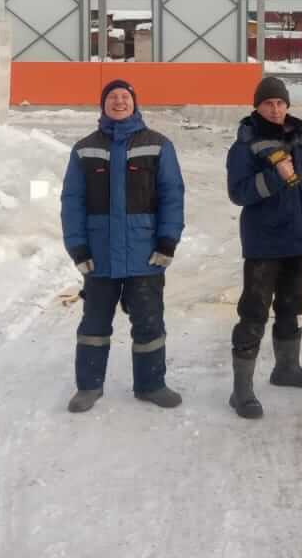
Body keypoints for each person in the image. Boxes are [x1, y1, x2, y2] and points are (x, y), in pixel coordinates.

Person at [61, 79, 185, 413]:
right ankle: (88, 387)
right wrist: (78, 248)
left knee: (149, 322)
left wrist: (167, 242)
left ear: (134, 103)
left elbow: (172, 196)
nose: (119, 102)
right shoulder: (84, 149)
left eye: (125, 97)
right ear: (103, 105)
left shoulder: (158, 145)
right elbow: (72, 201)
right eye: (112, 97)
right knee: (94, 324)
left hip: (145, 255)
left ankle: (151, 385)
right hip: (99, 256)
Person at [224, 76, 302, 419]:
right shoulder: (246, 143)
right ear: (257, 106)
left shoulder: (300, 139)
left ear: (287, 106)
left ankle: (287, 368)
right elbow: (238, 192)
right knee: (254, 311)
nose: (275, 109)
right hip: (264, 241)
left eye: (280, 103)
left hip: (295, 240)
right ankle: (241, 390)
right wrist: (276, 177)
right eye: (268, 103)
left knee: (290, 304)